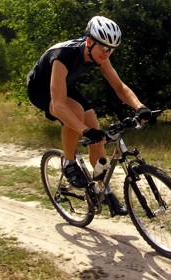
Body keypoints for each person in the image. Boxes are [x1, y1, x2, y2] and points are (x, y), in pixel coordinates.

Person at [27, 16, 152, 216]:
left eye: (111, 50)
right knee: (75, 113)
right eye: (104, 48)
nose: (107, 53)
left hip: (65, 85)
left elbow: (119, 87)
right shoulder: (63, 56)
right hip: (40, 89)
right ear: (89, 42)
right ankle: (68, 163)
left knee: (98, 139)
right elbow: (59, 106)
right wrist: (85, 131)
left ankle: (105, 191)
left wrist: (140, 107)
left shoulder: (100, 54)